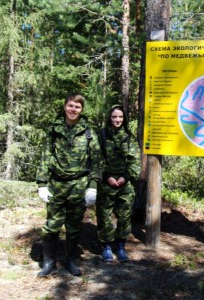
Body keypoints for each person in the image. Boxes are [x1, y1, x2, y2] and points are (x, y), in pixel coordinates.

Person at [36, 94, 103, 277]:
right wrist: (42, 184)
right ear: (65, 106)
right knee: (52, 225)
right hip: (56, 185)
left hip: (79, 185)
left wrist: (93, 187)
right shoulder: (54, 129)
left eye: (77, 107)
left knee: (74, 226)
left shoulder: (88, 132)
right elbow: (45, 156)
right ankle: (49, 263)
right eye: (71, 106)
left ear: (82, 110)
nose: (73, 110)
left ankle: (71, 261)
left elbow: (96, 160)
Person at [96, 104, 141, 262]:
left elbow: (135, 160)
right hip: (105, 182)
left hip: (124, 183)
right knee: (104, 216)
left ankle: (120, 246)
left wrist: (125, 177)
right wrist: (107, 176)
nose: (117, 120)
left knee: (124, 215)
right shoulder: (101, 135)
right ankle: (107, 246)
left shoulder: (129, 137)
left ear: (124, 118)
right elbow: (96, 158)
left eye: (120, 117)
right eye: (114, 116)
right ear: (109, 117)